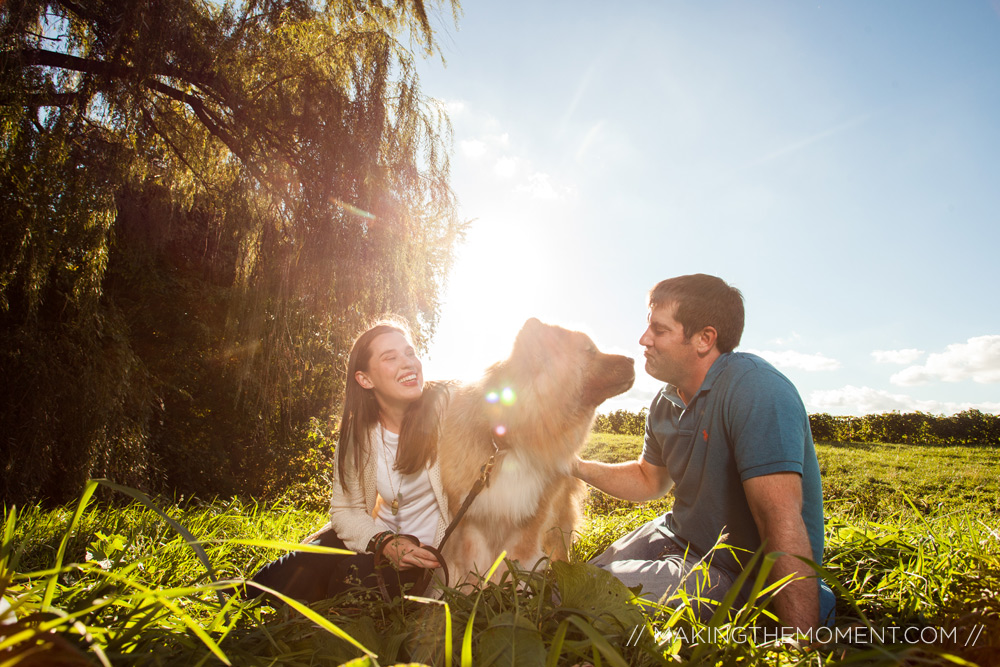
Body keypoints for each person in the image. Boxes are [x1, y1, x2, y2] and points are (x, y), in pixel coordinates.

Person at [574, 274, 835, 631]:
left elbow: (777, 516)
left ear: (704, 339)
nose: (643, 340)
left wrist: (802, 639)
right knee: (574, 580)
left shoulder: (755, 389)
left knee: (584, 595)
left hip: (734, 572)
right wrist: (574, 466)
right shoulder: (665, 401)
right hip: (675, 536)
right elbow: (649, 479)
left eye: (659, 330)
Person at [248, 318, 451, 603]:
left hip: (423, 558)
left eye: (409, 353)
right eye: (390, 357)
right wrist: (384, 542)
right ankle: (229, 595)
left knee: (353, 581)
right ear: (365, 379)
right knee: (295, 570)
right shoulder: (358, 436)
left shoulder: (449, 409)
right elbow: (345, 510)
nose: (408, 363)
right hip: (374, 539)